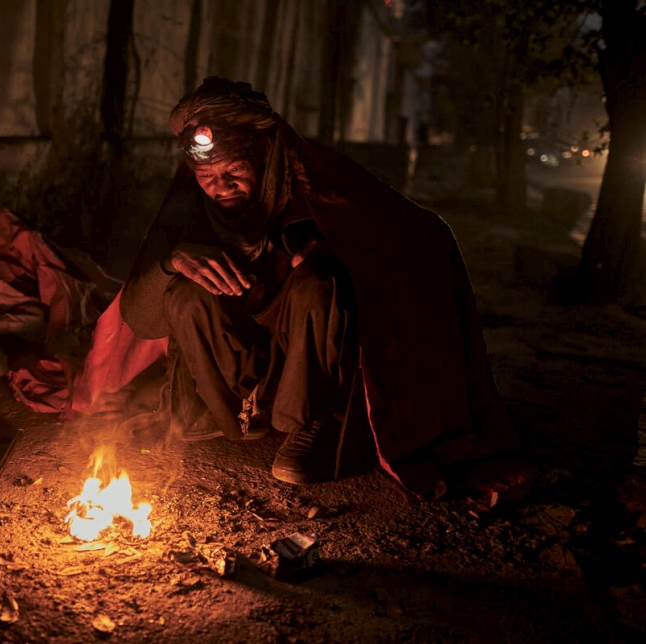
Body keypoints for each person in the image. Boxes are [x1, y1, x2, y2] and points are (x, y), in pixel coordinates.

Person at [114, 77, 528, 500]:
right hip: (237, 364)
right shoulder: (190, 212)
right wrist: (171, 261)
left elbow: (417, 239)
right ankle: (228, 415)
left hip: (306, 358)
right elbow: (142, 321)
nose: (221, 186)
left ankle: (311, 423)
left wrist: (334, 252)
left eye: (235, 170)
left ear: (263, 155)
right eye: (206, 175)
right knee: (185, 293)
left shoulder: (314, 189)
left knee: (318, 286)